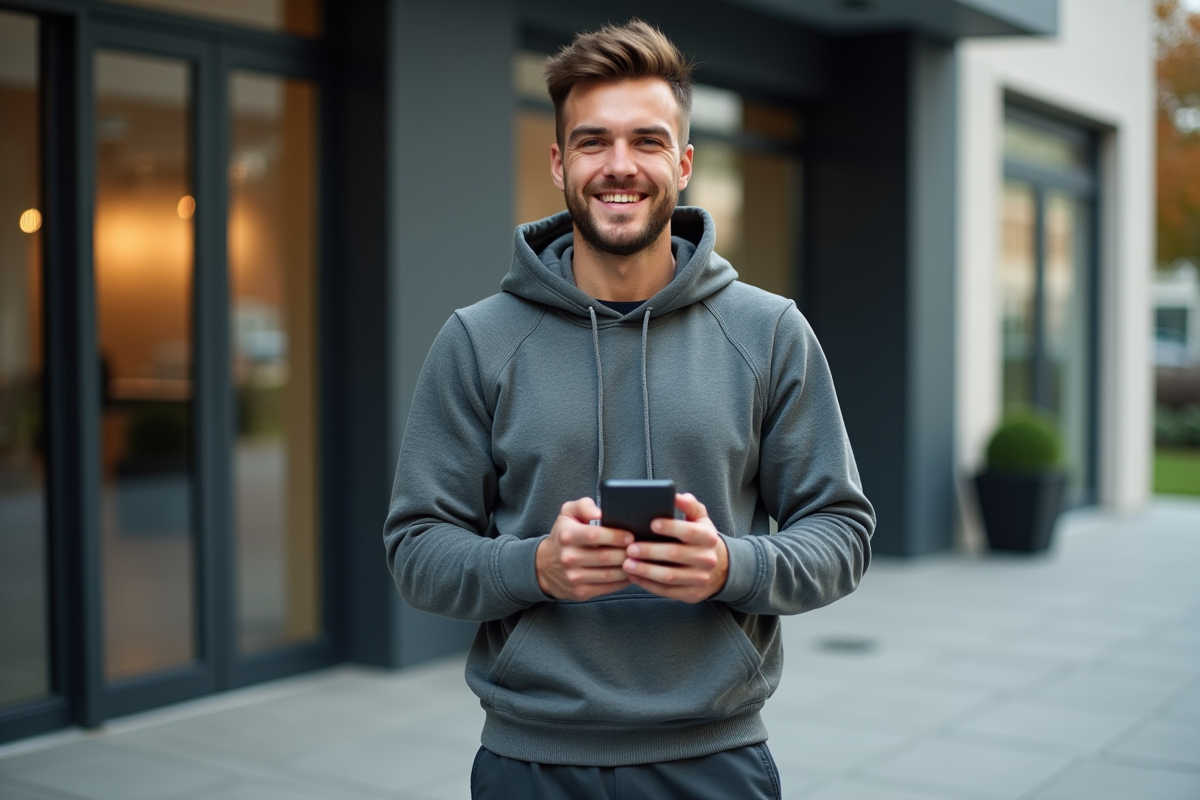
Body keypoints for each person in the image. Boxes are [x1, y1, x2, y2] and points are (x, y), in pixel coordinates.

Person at [383, 19, 875, 800]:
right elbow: (415, 551)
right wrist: (534, 564)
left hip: (715, 758)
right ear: (558, 162)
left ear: (683, 162)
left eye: (647, 141)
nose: (620, 167)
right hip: (529, 760)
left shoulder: (768, 330)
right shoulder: (478, 340)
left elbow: (843, 533)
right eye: (592, 142)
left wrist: (730, 565)